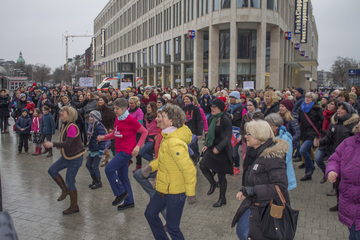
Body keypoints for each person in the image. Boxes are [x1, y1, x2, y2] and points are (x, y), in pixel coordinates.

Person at [142, 104, 197, 239]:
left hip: (176, 192)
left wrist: (190, 193)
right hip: (164, 188)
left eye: (162, 117)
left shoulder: (174, 142)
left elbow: (189, 169)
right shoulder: (167, 137)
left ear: (172, 120)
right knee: (150, 213)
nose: (157, 119)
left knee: (173, 228)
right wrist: (150, 167)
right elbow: (164, 159)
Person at [232, 120, 290, 240]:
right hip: (257, 203)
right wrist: (246, 190)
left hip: (267, 208)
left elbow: (280, 186)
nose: (245, 136)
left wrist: (252, 190)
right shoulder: (256, 152)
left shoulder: (272, 157)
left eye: (249, 134)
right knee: (243, 232)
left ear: (259, 136)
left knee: (245, 234)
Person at [97, 98, 148, 210]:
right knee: (123, 176)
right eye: (114, 108)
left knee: (109, 169)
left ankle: (120, 192)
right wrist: (103, 137)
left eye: (117, 108)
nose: (115, 110)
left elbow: (145, 132)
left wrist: (138, 146)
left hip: (127, 151)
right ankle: (129, 201)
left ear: (124, 109)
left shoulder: (131, 119)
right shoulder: (118, 118)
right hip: (120, 150)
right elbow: (115, 134)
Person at [315, 102, 359, 211]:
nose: (339, 110)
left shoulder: (353, 124)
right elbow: (328, 138)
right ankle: (340, 204)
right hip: (336, 154)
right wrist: (319, 143)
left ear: (348, 112)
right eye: (338, 108)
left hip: (350, 159)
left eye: (342, 109)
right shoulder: (334, 123)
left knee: (348, 184)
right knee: (339, 183)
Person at [44, 106, 86, 215]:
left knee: (70, 181)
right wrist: (60, 145)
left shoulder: (72, 126)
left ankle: (74, 206)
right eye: (61, 111)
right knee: (52, 170)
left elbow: (68, 143)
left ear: (69, 114)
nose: (61, 113)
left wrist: (53, 144)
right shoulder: (65, 125)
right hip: (67, 156)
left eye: (63, 111)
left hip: (75, 158)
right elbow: (66, 142)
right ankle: (65, 190)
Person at [326, 121, 360, 239]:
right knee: (353, 233)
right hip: (348, 200)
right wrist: (332, 170)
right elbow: (335, 159)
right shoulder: (348, 142)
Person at [200, 98, 233, 207]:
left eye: (213, 107)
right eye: (211, 107)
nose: (211, 109)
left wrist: (219, 147)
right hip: (212, 148)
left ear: (219, 108)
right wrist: (206, 145)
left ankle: (222, 198)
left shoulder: (225, 119)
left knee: (221, 175)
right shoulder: (212, 119)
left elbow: (228, 136)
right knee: (202, 164)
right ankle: (213, 183)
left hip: (223, 150)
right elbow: (210, 135)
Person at [265, 113, 297, 190]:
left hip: (281, 173)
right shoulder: (268, 136)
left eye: (268, 125)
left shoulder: (285, 138)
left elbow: (287, 157)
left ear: (276, 126)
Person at [298, 92, 323, 181]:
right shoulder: (301, 108)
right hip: (304, 133)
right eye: (306, 97)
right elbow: (299, 121)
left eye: (310, 97)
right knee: (306, 151)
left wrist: (320, 133)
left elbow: (322, 121)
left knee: (303, 150)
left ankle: (311, 166)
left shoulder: (317, 109)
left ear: (313, 99)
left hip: (313, 134)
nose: (307, 99)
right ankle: (307, 174)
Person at [228, 91, 247, 175]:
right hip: (228, 131)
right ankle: (230, 166)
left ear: (237, 99)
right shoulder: (228, 107)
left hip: (237, 132)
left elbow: (245, 122)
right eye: (230, 97)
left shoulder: (242, 109)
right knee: (229, 151)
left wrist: (241, 134)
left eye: (232, 97)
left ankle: (236, 166)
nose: (231, 99)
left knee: (234, 152)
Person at [86, 110, 106, 190]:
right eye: (90, 116)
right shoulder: (91, 126)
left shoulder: (99, 126)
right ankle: (94, 180)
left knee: (94, 166)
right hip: (92, 149)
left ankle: (98, 181)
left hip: (98, 150)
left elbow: (102, 139)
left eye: (92, 117)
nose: (90, 118)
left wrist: (101, 150)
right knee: (88, 165)